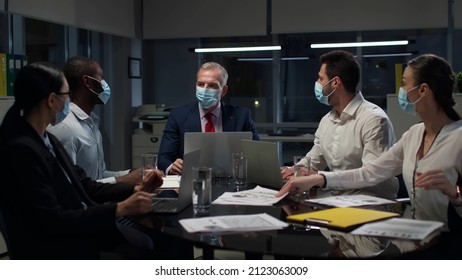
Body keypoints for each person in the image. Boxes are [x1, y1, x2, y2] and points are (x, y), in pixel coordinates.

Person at [277, 54, 462, 233]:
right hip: (417, 235)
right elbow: (371, 172)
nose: (401, 90)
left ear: (423, 90)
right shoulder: (413, 134)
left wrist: (455, 193)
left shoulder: (458, 137)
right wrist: (320, 179)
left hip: (448, 240)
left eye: (404, 83)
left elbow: (372, 178)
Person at [0, 62, 164, 259]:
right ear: (52, 101)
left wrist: (135, 189)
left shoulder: (47, 139)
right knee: (147, 252)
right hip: (56, 250)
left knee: (151, 245)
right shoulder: (22, 150)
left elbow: (85, 185)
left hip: (78, 233)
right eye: (66, 96)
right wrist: (120, 208)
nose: (69, 102)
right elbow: (53, 220)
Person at [282, 50, 398, 200]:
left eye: (320, 78)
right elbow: (314, 160)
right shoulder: (326, 121)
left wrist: (320, 177)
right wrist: (292, 170)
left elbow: (371, 174)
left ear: (335, 82)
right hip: (335, 201)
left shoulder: (374, 119)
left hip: (369, 205)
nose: (317, 83)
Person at [47, 56, 142, 184]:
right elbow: (68, 185)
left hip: (95, 200)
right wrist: (123, 180)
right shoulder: (66, 128)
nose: (105, 83)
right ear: (87, 82)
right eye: (101, 77)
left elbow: (98, 176)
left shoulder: (90, 122)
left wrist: (132, 174)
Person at [158, 61, 259, 175]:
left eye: (212, 85)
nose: (205, 89)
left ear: (224, 90)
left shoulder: (241, 115)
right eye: (200, 84)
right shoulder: (178, 115)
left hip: (230, 182)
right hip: (192, 182)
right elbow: (163, 159)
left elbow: (257, 156)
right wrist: (172, 167)